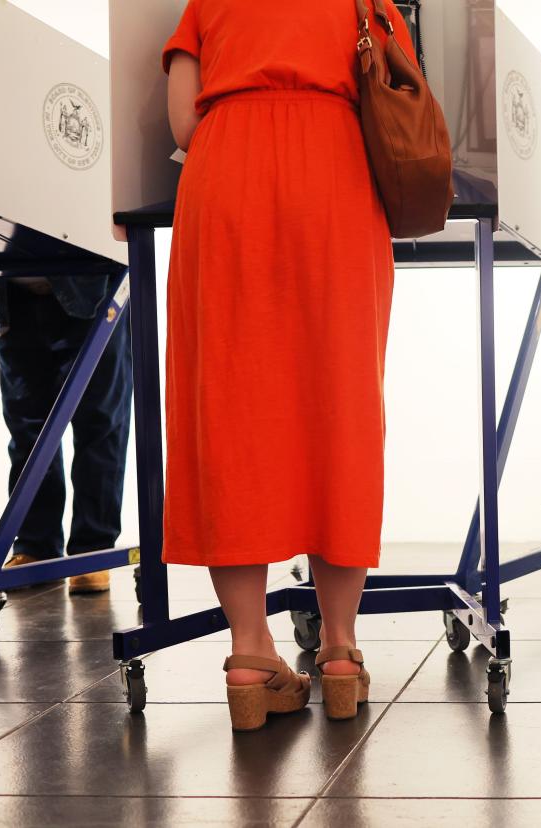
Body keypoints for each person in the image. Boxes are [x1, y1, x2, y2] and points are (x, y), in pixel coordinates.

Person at [162, 0, 408, 731]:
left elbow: (181, 123)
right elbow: (401, 99)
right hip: (334, 178)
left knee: (230, 408)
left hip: (225, 176)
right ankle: (338, 650)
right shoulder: (366, 2)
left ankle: (250, 655)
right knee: (343, 408)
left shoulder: (207, 4)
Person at [0, 273, 132, 594]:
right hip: (12, 294)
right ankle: (36, 547)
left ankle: (93, 551)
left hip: (91, 288)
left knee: (99, 421)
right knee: (27, 430)